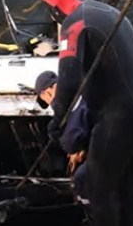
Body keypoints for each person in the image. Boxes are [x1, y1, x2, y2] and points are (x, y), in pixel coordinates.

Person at [39, 0, 133, 226]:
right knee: (128, 187)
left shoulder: (74, 23)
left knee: (98, 190)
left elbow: (68, 83)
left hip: (120, 119)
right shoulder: (108, 11)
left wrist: (57, 125)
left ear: (55, 8)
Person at [34, 70, 92, 205]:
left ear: (47, 92)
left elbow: (73, 138)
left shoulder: (67, 103)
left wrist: (75, 150)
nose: (50, 104)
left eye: (45, 100)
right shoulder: (80, 93)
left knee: (81, 179)